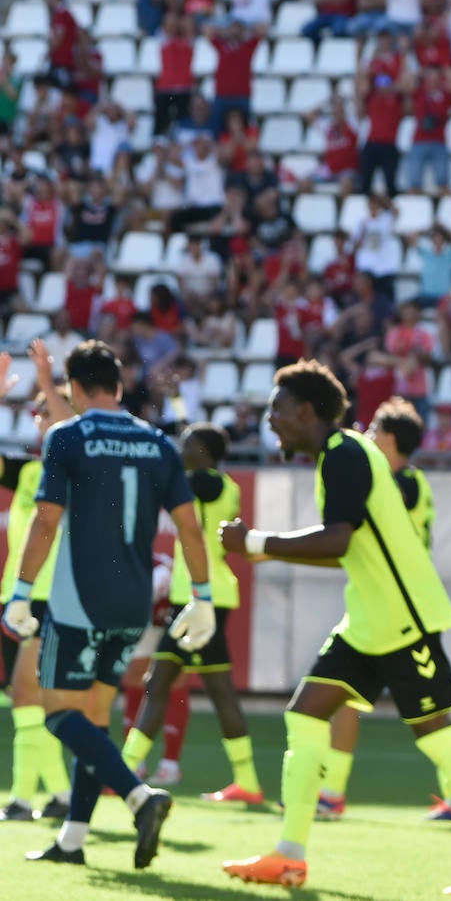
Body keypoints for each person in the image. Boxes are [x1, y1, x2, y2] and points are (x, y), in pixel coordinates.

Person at [218, 361, 451, 893]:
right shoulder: (341, 455)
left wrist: (257, 544)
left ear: (306, 411)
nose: (270, 420)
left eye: (277, 409)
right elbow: (345, 548)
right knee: (305, 715)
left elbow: (337, 541)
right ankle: (290, 856)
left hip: (403, 621)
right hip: (368, 620)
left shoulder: (345, 455)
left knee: (436, 734)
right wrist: (266, 550)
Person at [2, 340, 218, 868]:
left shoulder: (66, 436)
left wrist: (22, 592)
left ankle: (140, 797)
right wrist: (203, 599)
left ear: (74, 390)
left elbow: (47, 520)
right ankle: (72, 841)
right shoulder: (159, 444)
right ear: (119, 387)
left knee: (55, 714)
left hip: (78, 602)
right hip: (133, 605)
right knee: (96, 720)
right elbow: (189, 527)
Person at [318, 397, 451, 825]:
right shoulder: (395, 478)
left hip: (404, 612)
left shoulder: (404, 482)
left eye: (376, 428)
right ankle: (331, 794)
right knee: (341, 695)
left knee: (432, 713)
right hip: (374, 607)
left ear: (392, 440)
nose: (367, 432)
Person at [120, 423, 263, 806]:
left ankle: (121, 771)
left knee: (171, 683)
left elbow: (190, 483)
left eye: (189, 444)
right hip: (200, 597)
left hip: (204, 599)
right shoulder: (214, 483)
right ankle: (246, 780)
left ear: (206, 452)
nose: (182, 449)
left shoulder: (210, 482)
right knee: (176, 683)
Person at [0, 343, 75, 823]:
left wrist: (47, 380)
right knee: (26, 700)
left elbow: (71, 426)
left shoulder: (79, 470)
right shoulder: (29, 471)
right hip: (16, 598)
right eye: (36, 411)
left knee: (31, 697)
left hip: (54, 599)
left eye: (46, 410)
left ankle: (23, 799)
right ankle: (60, 795)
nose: (39, 417)